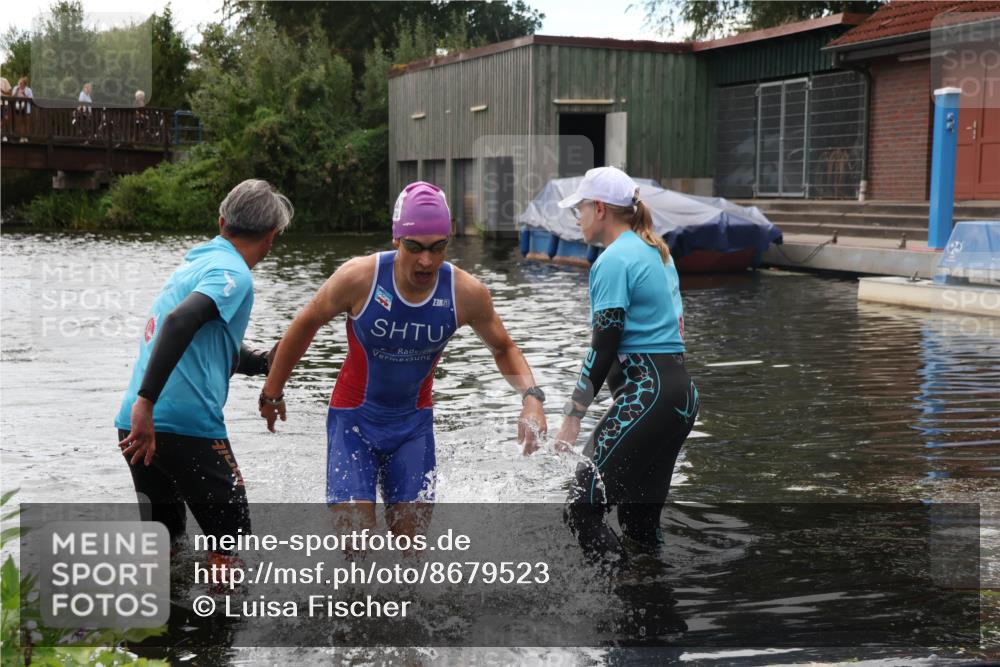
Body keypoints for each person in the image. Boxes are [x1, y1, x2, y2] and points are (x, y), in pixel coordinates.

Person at [259, 181, 547, 534]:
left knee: (411, 549)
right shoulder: (360, 278)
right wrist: (273, 391)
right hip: (353, 423)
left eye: (438, 247)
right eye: (415, 247)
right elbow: (306, 324)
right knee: (356, 539)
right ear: (396, 240)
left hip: (413, 427)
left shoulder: (465, 293)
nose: (426, 260)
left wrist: (531, 399)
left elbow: (504, 347)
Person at [115, 179, 293, 573]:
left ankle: (159, 630)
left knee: (167, 545)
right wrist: (149, 401)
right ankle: (222, 628)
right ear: (271, 236)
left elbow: (208, 346)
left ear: (222, 221)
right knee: (229, 546)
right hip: (182, 426)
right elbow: (180, 322)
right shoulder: (235, 274)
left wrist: (265, 361)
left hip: (133, 423)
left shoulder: (197, 262)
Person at [551, 166, 699, 568]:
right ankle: (652, 607)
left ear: (599, 208)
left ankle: (620, 599)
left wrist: (573, 414)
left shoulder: (614, 260)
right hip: (680, 396)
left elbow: (605, 344)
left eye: (579, 208)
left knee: (581, 510)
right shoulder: (657, 251)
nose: (577, 218)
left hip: (648, 395)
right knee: (639, 527)